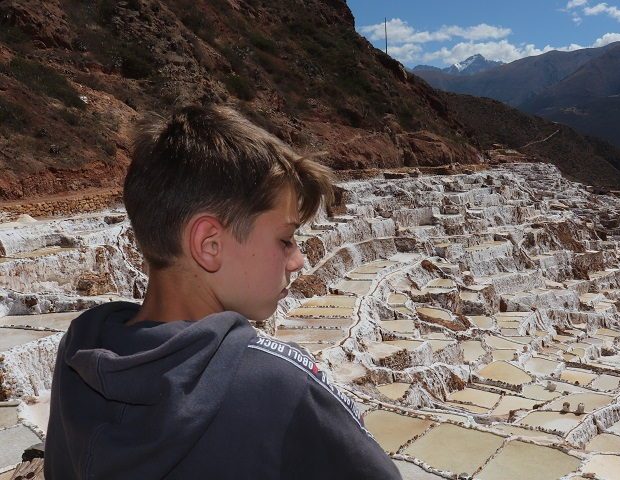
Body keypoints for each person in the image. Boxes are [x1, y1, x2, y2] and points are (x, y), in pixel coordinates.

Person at [44, 105, 401, 479]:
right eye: (286, 239)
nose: (297, 261)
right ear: (209, 245)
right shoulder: (280, 386)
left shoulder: (79, 353)